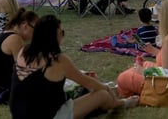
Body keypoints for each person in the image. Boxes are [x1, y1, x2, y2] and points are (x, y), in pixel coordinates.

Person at [10, 15, 138, 118]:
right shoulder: (57, 60)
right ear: (54, 36)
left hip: (19, 113)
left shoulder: (24, 51)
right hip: (49, 114)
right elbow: (88, 82)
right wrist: (107, 89)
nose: (63, 36)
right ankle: (123, 103)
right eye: (62, 32)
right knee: (102, 94)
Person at [116, 0, 168, 98]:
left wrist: (143, 72)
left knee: (122, 78)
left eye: (159, 15)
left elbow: (166, 74)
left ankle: (128, 97)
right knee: (144, 64)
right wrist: (153, 51)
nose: (158, 19)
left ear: (164, 17)